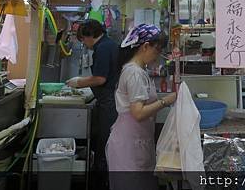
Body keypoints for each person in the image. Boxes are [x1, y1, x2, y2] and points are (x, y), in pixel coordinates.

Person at [106, 24, 177, 190]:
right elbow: (138, 113)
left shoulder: (139, 70)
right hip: (128, 147)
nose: (158, 56)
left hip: (136, 142)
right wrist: (167, 100)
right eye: (157, 50)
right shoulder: (134, 73)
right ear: (145, 46)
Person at [65, 20, 119, 188]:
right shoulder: (110, 44)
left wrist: (79, 82)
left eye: (83, 39)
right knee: (105, 143)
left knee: (104, 145)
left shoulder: (102, 48)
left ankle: (101, 183)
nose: (83, 43)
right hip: (110, 101)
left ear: (89, 35)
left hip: (108, 103)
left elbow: (100, 78)